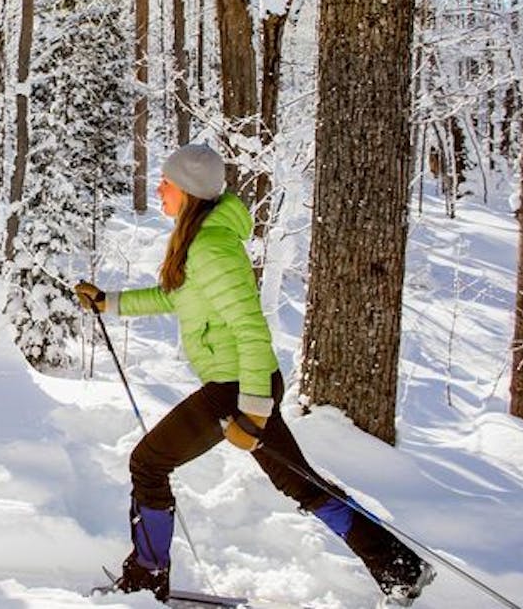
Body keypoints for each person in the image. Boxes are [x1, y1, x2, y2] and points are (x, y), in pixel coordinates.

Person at [74, 144, 435, 606]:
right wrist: (110, 302)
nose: (159, 188)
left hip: (237, 389)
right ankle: (396, 565)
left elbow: (250, 328)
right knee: (298, 481)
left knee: (148, 463)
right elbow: (175, 298)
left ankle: (146, 579)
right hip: (241, 385)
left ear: (186, 191)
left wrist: (253, 412)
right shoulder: (200, 243)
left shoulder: (211, 249)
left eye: (165, 182)